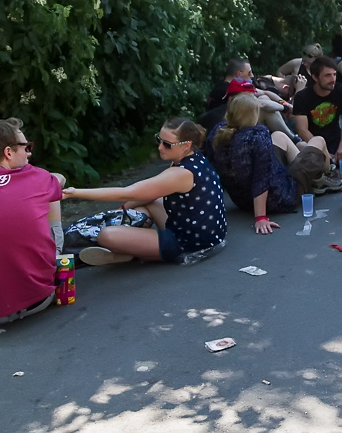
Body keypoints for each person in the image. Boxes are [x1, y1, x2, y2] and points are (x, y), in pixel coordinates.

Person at [63, 118, 228, 265]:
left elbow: (127, 192)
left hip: (190, 242)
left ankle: (127, 253)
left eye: (167, 144)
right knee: (148, 202)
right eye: (159, 140)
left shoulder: (180, 174)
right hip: (206, 232)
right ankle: (137, 244)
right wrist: (122, 209)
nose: (160, 147)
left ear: (186, 145)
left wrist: (74, 193)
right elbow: (149, 194)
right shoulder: (194, 158)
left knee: (106, 235)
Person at [206, 94, 334, 235]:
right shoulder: (258, 135)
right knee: (318, 140)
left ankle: (310, 175)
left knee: (279, 135)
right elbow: (261, 177)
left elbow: (212, 169)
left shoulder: (217, 133)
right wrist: (260, 217)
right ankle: (324, 175)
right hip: (280, 198)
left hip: (242, 201)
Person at [0, 118, 66, 325]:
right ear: (8, 152)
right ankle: (57, 256)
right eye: (26, 147)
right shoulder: (36, 177)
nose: (29, 153)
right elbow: (60, 179)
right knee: (52, 192)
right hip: (35, 299)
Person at [292, 56, 342, 164]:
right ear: (315, 77)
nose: (333, 79)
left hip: (336, 140)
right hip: (313, 142)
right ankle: (330, 160)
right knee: (301, 146)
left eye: (334, 74)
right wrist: (323, 149)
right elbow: (302, 130)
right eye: (327, 75)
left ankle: (333, 160)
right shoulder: (302, 97)